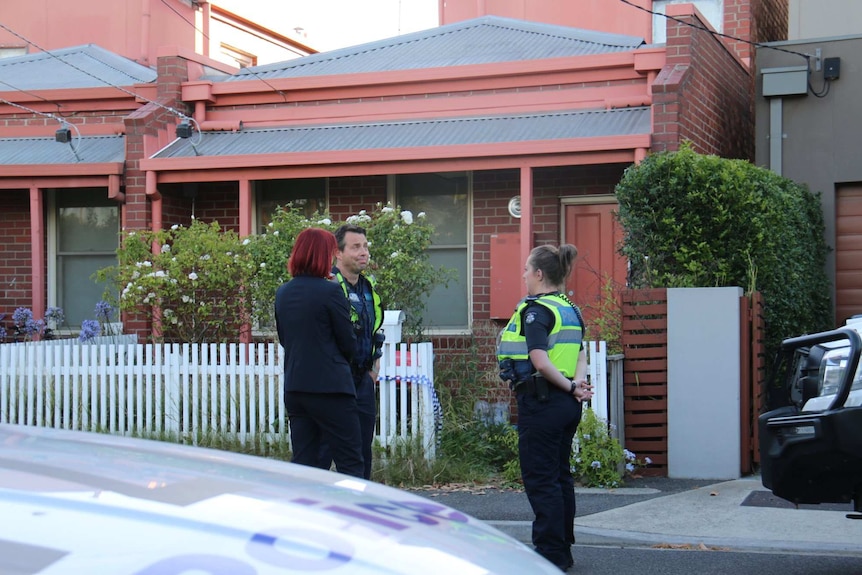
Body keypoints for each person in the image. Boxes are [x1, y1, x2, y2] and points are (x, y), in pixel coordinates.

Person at [497, 244, 594, 572]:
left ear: (539, 274)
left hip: (543, 401)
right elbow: (580, 354)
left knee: (541, 479)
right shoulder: (570, 308)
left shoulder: (537, 310)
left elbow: (539, 359)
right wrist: (577, 386)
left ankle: (549, 555)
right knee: (559, 476)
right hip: (566, 404)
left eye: (526, 269)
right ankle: (562, 548)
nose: (523, 275)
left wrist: (568, 386)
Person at [275, 227, 364, 478]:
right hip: (331, 388)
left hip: (296, 387)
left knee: (305, 462)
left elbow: (285, 338)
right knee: (350, 462)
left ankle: (304, 513)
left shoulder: (283, 292)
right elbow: (348, 342)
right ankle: (354, 514)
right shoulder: (330, 291)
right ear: (322, 255)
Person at [318, 224, 384, 480]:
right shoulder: (329, 286)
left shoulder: (368, 288)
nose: (363, 252)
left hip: (363, 381)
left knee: (361, 452)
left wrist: (374, 367)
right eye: (356, 247)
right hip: (335, 381)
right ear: (338, 252)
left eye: (365, 246)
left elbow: (375, 330)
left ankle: (359, 509)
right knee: (324, 451)